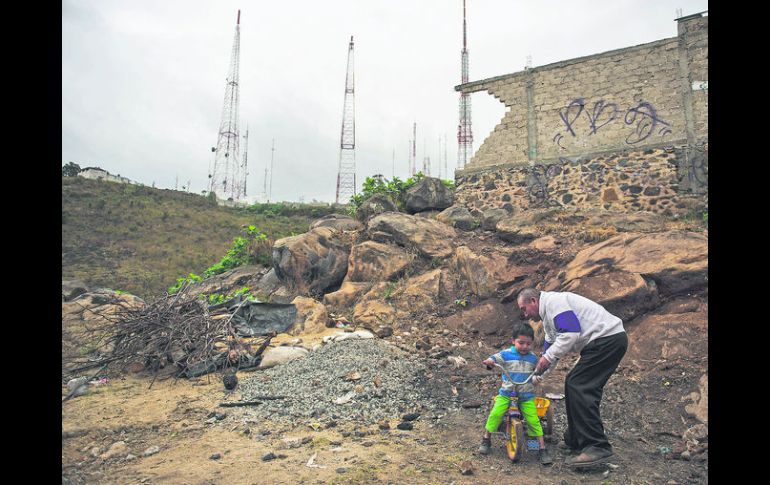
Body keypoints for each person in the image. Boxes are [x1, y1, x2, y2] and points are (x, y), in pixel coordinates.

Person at [517, 288, 628, 468]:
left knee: (579, 385)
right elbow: (551, 352)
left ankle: (597, 446)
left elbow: (570, 334)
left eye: (524, 308)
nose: (524, 314)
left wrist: (547, 358)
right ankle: (577, 438)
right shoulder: (548, 319)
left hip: (607, 340)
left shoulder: (554, 303)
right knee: (574, 383)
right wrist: (535, 379)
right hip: (602, 343)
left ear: (533, 301)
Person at [478, 322, 553, 465]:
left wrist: (539, 374)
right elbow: (495, 359)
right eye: (521, 343)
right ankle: (486, 439)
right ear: (513, 341)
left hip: (526, 396)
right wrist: (490, 361)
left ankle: (540, 449)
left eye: (528, 344)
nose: (524, 346)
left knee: (533, 420)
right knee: (496, 414)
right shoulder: (506, 354)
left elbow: (539, 370)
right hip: (507, 394)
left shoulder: (532, 358)